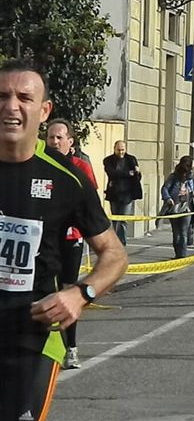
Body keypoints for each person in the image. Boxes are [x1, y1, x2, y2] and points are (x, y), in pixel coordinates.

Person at [0, 58, 127, 421]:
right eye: (2, 96)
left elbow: (114, 255)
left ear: (44, 111)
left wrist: (80, 294)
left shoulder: (67, 177)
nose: (11, 106)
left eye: (24, 98)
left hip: (31, 337)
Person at [46, 118, 99, 370]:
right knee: (44, 290)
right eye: (50, 137)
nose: (55, 142)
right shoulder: (37, 165)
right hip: (45, 239)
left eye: (59, 138)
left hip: (71, 239)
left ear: (70, 142)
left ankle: (72, 348)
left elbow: (91, 206)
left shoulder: (80, 167)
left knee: (67, 291)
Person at [103, 141, 143, 245]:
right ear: (114, 149)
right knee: (115, 218)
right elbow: (112, 173)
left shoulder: (131, 159)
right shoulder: (108, 160)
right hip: (114, 193)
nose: (121, 152)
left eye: (122, 150)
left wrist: (136, 173)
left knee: (124, 218)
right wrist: (129, 173)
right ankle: (116, 239)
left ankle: (121, 242)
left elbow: (137, 175)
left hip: (128, 193)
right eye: (119, 150)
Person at [161, 156, 194, 259]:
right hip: (175, 206)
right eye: (192, 164)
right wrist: (168, 198)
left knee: (183, 232)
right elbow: (165, 188)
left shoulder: (192, 177)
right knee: (176, 233)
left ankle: (182, 255)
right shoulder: (174, 177)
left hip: (187, 206)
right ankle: (178, 254)